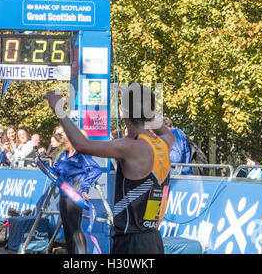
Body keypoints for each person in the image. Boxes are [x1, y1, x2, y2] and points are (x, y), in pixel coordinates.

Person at [44, 83, 174, 254]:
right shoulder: (165, 142)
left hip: (131, 242)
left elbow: (82, 145)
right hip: (154, 239)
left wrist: (58, 109)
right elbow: (159, 127)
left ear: (123, 113)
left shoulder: (130, 147)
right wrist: (137, 104)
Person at [45, 130, 102, 254]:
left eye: (65, 140)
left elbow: (96, 170)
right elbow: (55, 170)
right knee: (66, 227)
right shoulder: (63, 155)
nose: (62, 142)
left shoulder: (81, 156)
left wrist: (85, 186)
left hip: (75, 196)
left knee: (75, 228)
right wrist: (42, 164)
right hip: (63, 195)